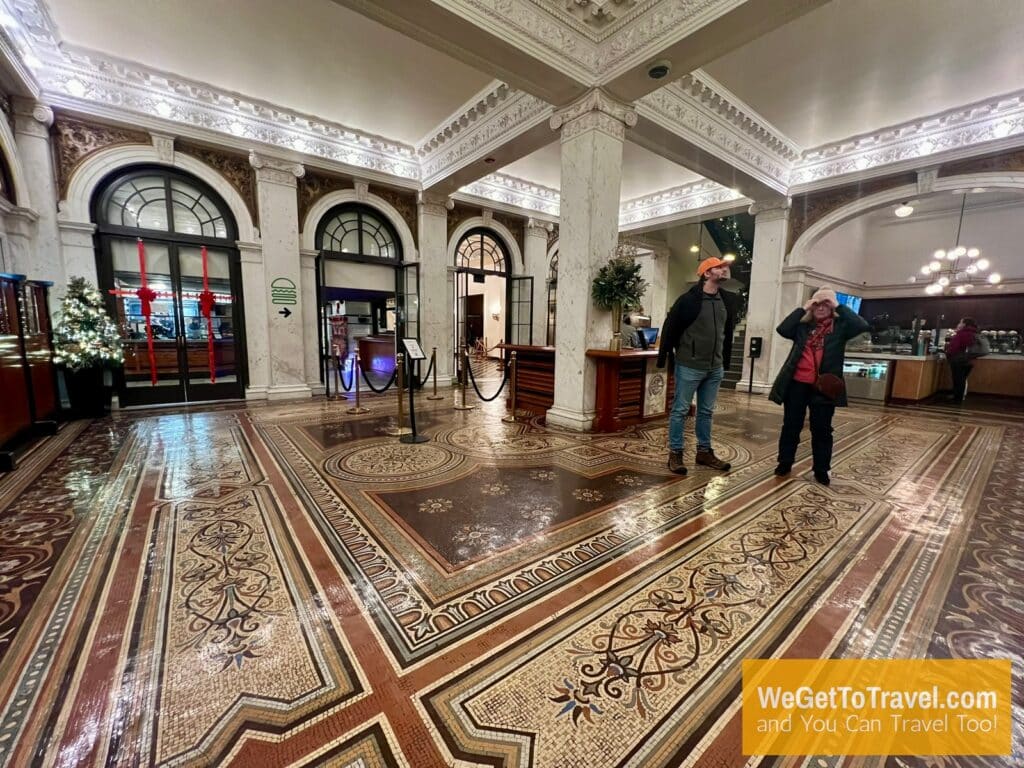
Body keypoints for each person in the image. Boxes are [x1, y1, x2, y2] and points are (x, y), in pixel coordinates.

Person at [769, 287, 870, 485]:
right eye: (817, 304)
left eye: (826, 304)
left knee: (822, 430)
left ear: (832, 307)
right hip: (797, 384)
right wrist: (804, 307)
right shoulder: (802, 328)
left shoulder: (840, 328)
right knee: (791, 426)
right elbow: (783, 329)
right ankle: (785, 462)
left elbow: (861, 325)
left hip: (824, 387)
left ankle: (821, 469)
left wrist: (838, 305)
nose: (821, 308)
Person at [657, 256, 738, 476]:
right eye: (719, 267)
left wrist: (724, 359)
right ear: (707, 273)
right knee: (680, 410)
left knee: (706, 411)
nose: (724, 270)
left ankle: (704, 452)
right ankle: (675, 453)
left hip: (715, 367)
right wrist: (665, 357)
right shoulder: (688, 300)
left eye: (724, 267)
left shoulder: (727, 300)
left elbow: (726, 333)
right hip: (690, 365)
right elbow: (670, 327)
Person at [944, 317, 978, 404]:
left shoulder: (962, 334)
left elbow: (954, 347)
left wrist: (948, 353)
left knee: (958, 380)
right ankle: (959, 398)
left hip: (958, 360)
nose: (958, 324)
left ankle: (957, 399)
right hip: (969, 361)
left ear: (964, 324)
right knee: (962, 380)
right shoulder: (974, 333)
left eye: (960, 322)